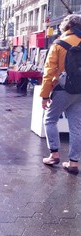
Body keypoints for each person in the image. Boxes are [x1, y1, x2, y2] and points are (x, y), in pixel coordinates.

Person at [41, 14, 81, 175]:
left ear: (66, 27)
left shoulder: (58, 44)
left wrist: (44, 95)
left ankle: (54, 154)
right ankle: (73, 163)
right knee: (76, 126)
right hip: (80, 90)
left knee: (50, 120)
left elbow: (49, 71)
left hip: (63, 89)